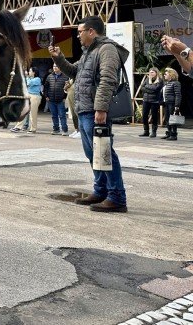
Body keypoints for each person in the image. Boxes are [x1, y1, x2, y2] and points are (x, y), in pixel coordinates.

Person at [49, 15, 129, 213]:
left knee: (104, 152)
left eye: (80, 32)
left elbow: (108, 80)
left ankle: (117, 197)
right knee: (93, 154)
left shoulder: (106, 49)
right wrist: (58, 58)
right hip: (85, 110)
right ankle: (100, 191)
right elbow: (75, 72)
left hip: (95, 111)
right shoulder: (88, 53)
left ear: (91, 31)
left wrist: (101, 108)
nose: (78, 36)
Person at [11, 68, 41, 133]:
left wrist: (26, 76)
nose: (29, 72)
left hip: (34, 96)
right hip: (28, 96)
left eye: (30, 71)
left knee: (33, 114)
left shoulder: (37, 79)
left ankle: (33, 129)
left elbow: (28, 83)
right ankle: (18, 127)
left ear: (34, 72)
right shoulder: (29, 78)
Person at [44, 64, 70, 135]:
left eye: (56, 66)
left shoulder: (65, 77)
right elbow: (45, 87)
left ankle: (65, 130)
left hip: (61, 100)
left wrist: (65, 97)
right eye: (53, 66)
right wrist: (46, 96)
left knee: (62, 115)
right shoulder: (49, 76)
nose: (55, 68)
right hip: (51, 100)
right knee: (54, 115)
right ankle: (56, 129)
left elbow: (68, 88)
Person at [138, 67, 163, 138]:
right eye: (150, 72)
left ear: (156, 73)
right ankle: (146, 131)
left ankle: (154, 132)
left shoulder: (160, 80)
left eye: (152, 72)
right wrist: (150, 89)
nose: (150, 73)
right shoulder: (147, 79)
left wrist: (147, 87)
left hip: (155, 101)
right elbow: (142, 88)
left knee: (154, 116)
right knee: (144, 116)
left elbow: (156, 89)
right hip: (146, 100)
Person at [161, 68, 182, 141]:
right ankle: (169, 133)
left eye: (166, 74)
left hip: (172, 103)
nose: (164, 75)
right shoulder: (166, 83)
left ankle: (174, 135)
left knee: (173, 119)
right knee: (167, 119)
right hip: (166, 103)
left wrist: (177, 106)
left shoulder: (176, 83)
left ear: (171, 75)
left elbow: (178, 95)